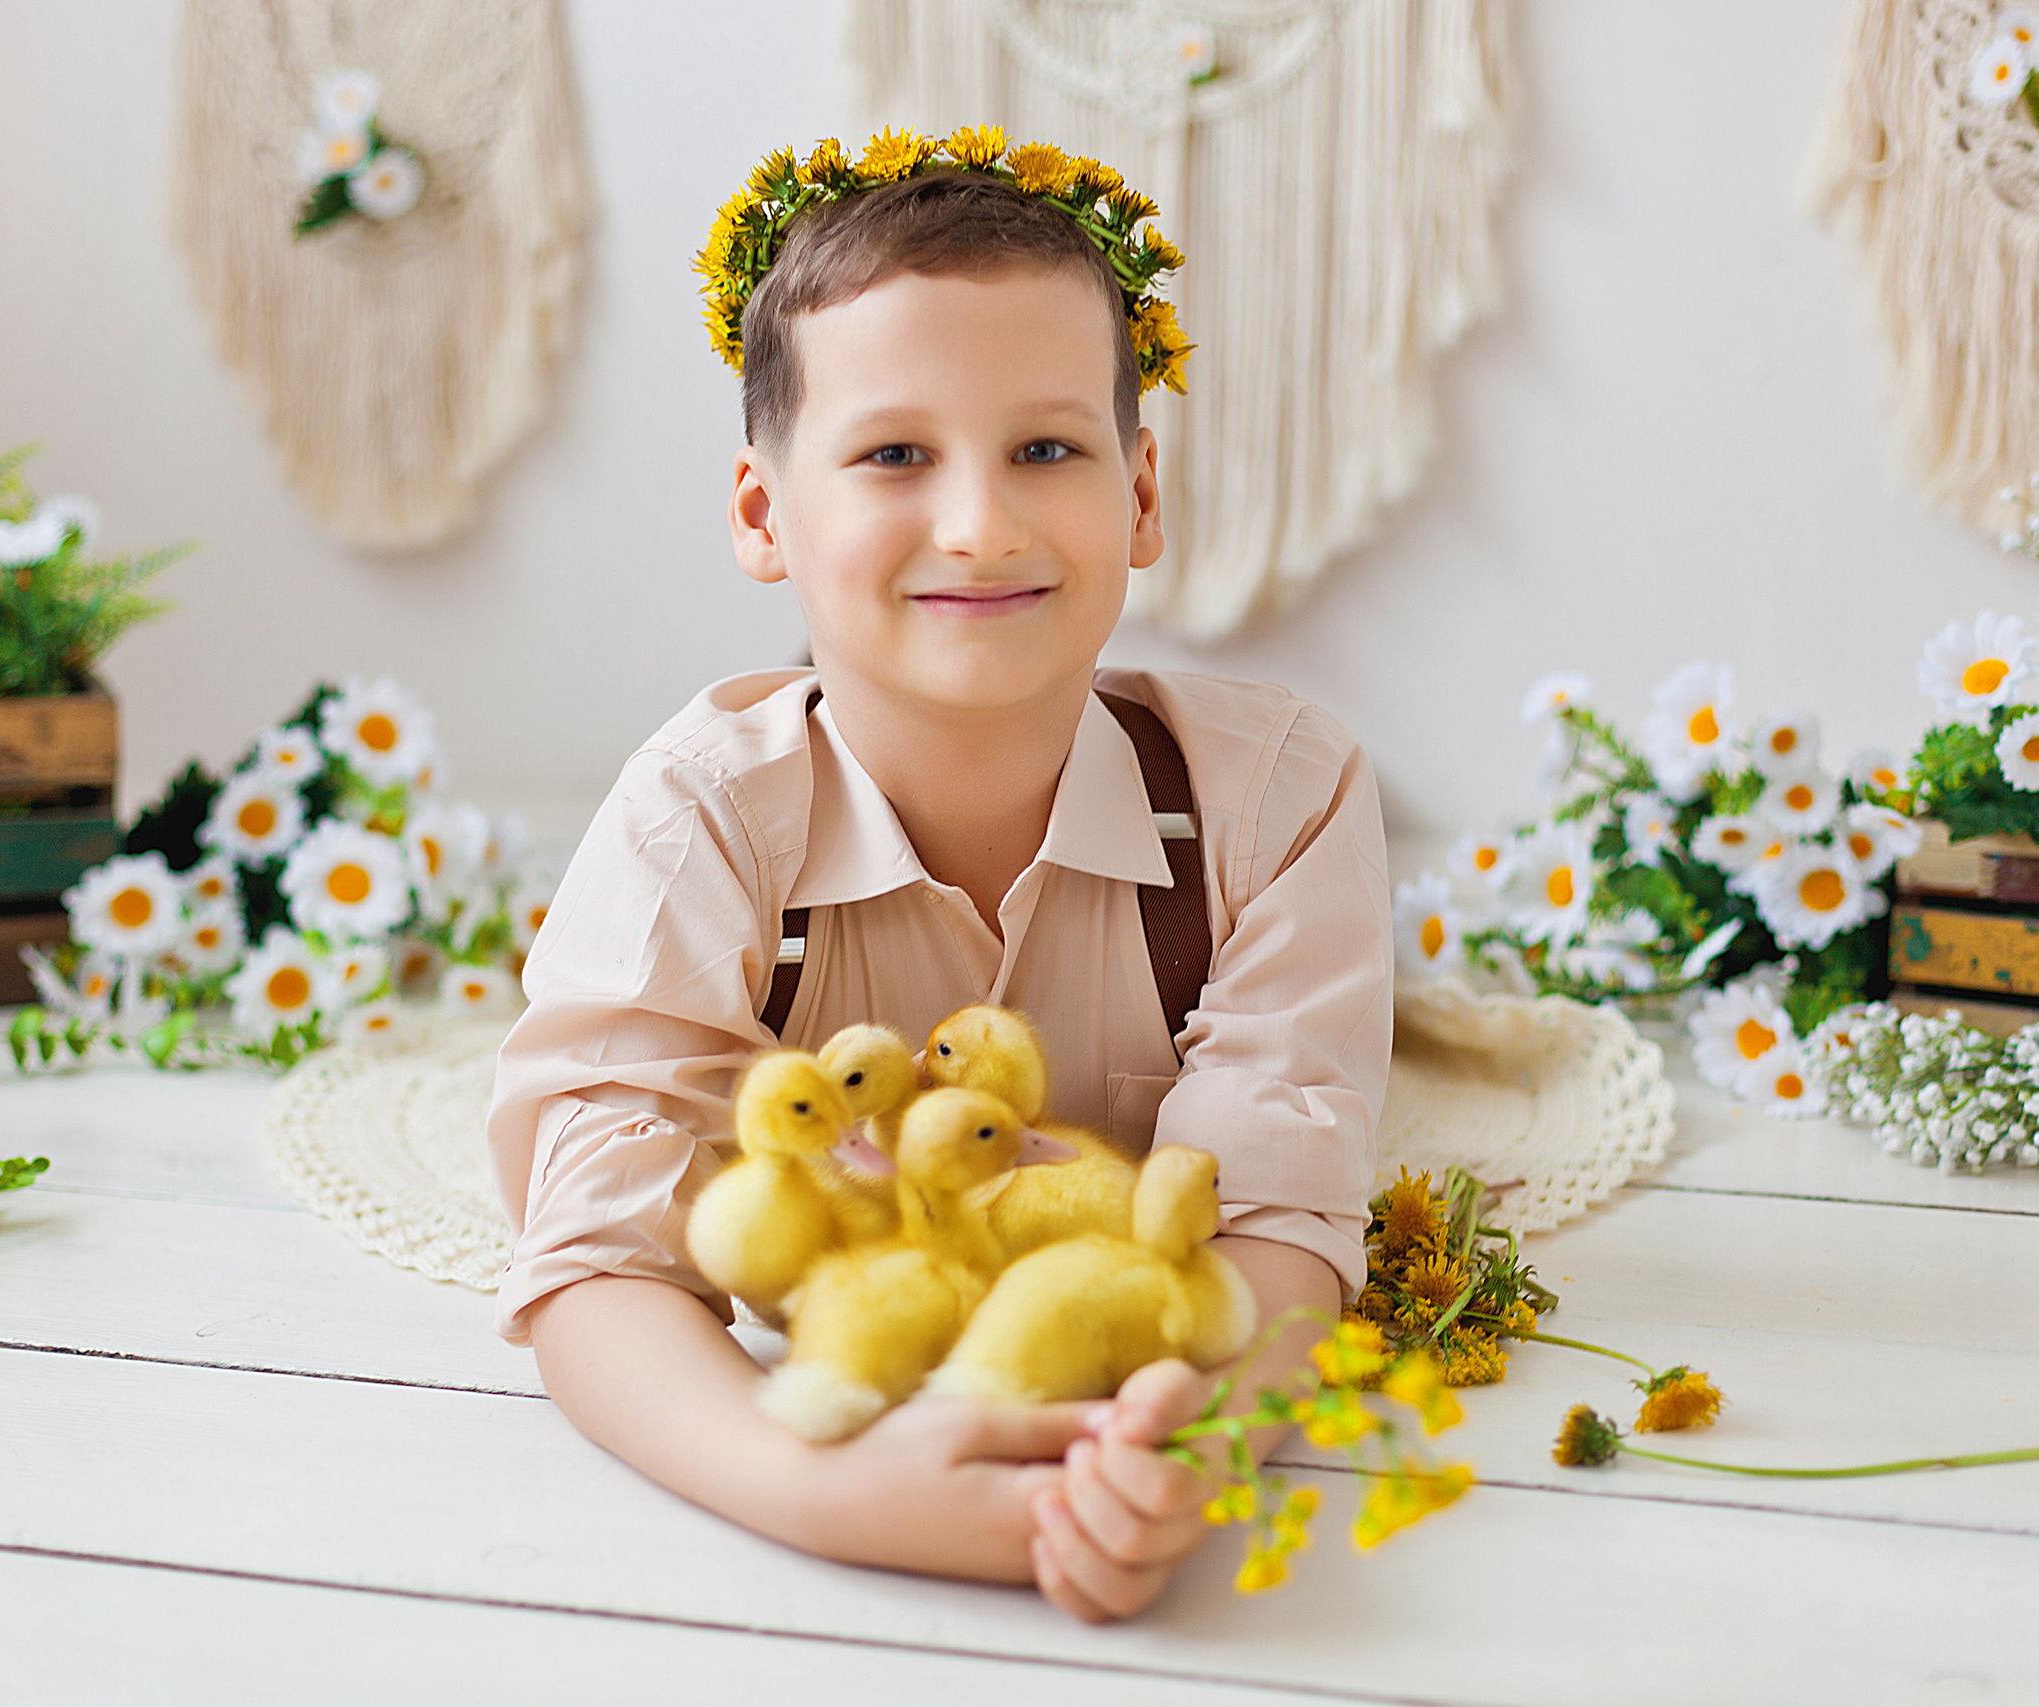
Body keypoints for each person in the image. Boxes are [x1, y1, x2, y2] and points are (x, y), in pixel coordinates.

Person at [487, 128, 1391, 1623]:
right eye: (895, 454)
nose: (979, 524)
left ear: (1141, 493)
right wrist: (818, 1486)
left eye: (1047, 447)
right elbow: (596, 1260)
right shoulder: (695, 820)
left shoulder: (1280, 798)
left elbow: (1276, 1228)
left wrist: (1177, 1451)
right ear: (764, 513)